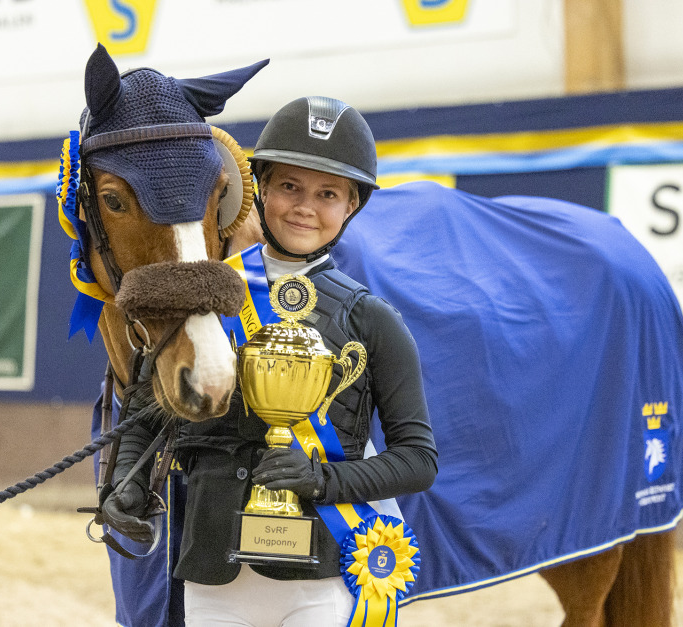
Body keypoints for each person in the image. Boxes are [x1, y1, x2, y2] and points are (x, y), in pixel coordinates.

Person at [102, 96, 438, 626]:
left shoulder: (373, 320)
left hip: (322, 578)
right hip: (212, 573)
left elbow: (418, 460)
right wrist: (127, 473)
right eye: (289, 187)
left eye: (328, 193)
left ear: (352, 206)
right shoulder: (202, 297)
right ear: (258, 190)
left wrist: (324, 481)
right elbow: (150, 407)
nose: (305, 206)